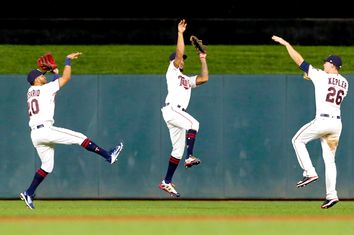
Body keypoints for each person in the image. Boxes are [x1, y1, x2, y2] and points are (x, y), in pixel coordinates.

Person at [20, 52, 123, 209]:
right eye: (41, 75)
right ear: (36, 80)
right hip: (46, 130)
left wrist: (52, 72)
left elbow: (52, 88)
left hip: (35, 134)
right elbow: (66, 79)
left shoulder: (31, 92)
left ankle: (28, 192)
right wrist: (67, 61)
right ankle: (108, 155)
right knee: (79, 137)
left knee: (47, 166)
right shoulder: (45, 89)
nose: (43, 76)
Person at [272, 35, 348, 209]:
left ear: (332, 65)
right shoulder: (345, 82)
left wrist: (287, 44)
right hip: (336, 125)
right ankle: (332, 195)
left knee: (297, 140)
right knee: (330, 161)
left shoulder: (321, 76)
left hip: (323, 121)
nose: (324, 64)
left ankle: (310, 172)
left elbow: (300, 61)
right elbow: (330, 87)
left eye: (326, 63)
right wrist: (314, 77)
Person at [159, 19, 209, 197]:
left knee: (177, 151)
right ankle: (191, 156)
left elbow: (204, 79)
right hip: (172, 109)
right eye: (180, 59)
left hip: (176, 114)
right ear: (174, 61)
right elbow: (179, 54)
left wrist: (203, 59)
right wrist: (180, 33)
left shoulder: (185, 79)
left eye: (183, 60)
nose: (182, 61)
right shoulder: (172, 71)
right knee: (194, 124)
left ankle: (166, 181)